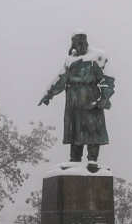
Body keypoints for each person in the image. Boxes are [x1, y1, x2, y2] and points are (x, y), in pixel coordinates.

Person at [39, 30, 115, 170]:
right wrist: (49, 94)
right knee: (75, 130)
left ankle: (92, 159)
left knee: (92, 130)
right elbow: (61, 79)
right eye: (78, 44)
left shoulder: (97, 57)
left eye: (84, 43)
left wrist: (103, 98)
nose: (82, 46)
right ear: (73, 45)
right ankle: (74, 159)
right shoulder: (70, 60)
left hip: (90, 97)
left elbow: (107, 80)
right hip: (73, 100)